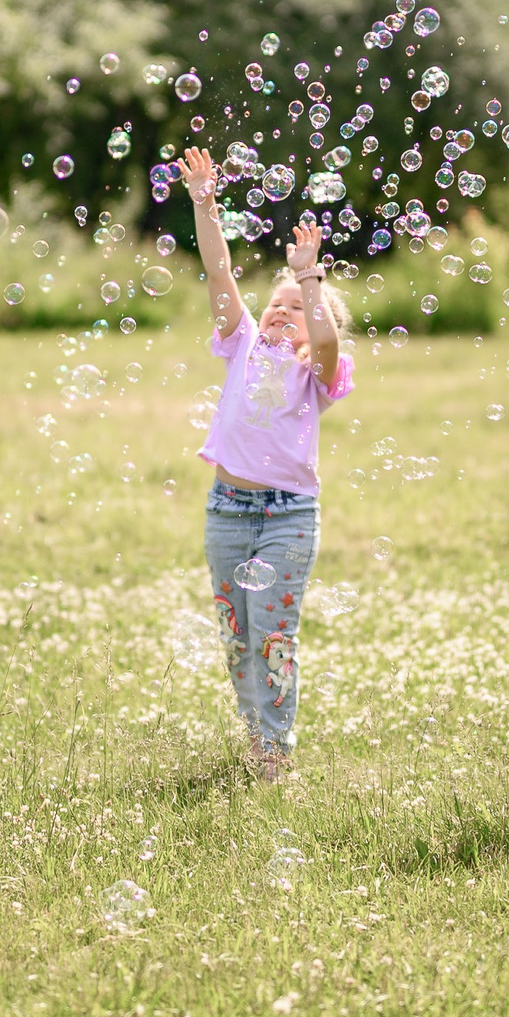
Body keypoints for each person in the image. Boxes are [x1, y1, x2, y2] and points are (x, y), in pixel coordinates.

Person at [181, 148, 354, 783]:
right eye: (276, 303)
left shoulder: (317, 372)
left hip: (287, 518)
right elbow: (219, 269)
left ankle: (273, 758)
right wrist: (205, 202)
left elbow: (329, 339)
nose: (281, 311)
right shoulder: (243, 346)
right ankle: (257, 739)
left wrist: (308, 279)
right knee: (237, 636)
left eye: (297, 308)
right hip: (228, 510)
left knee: (273, 636)